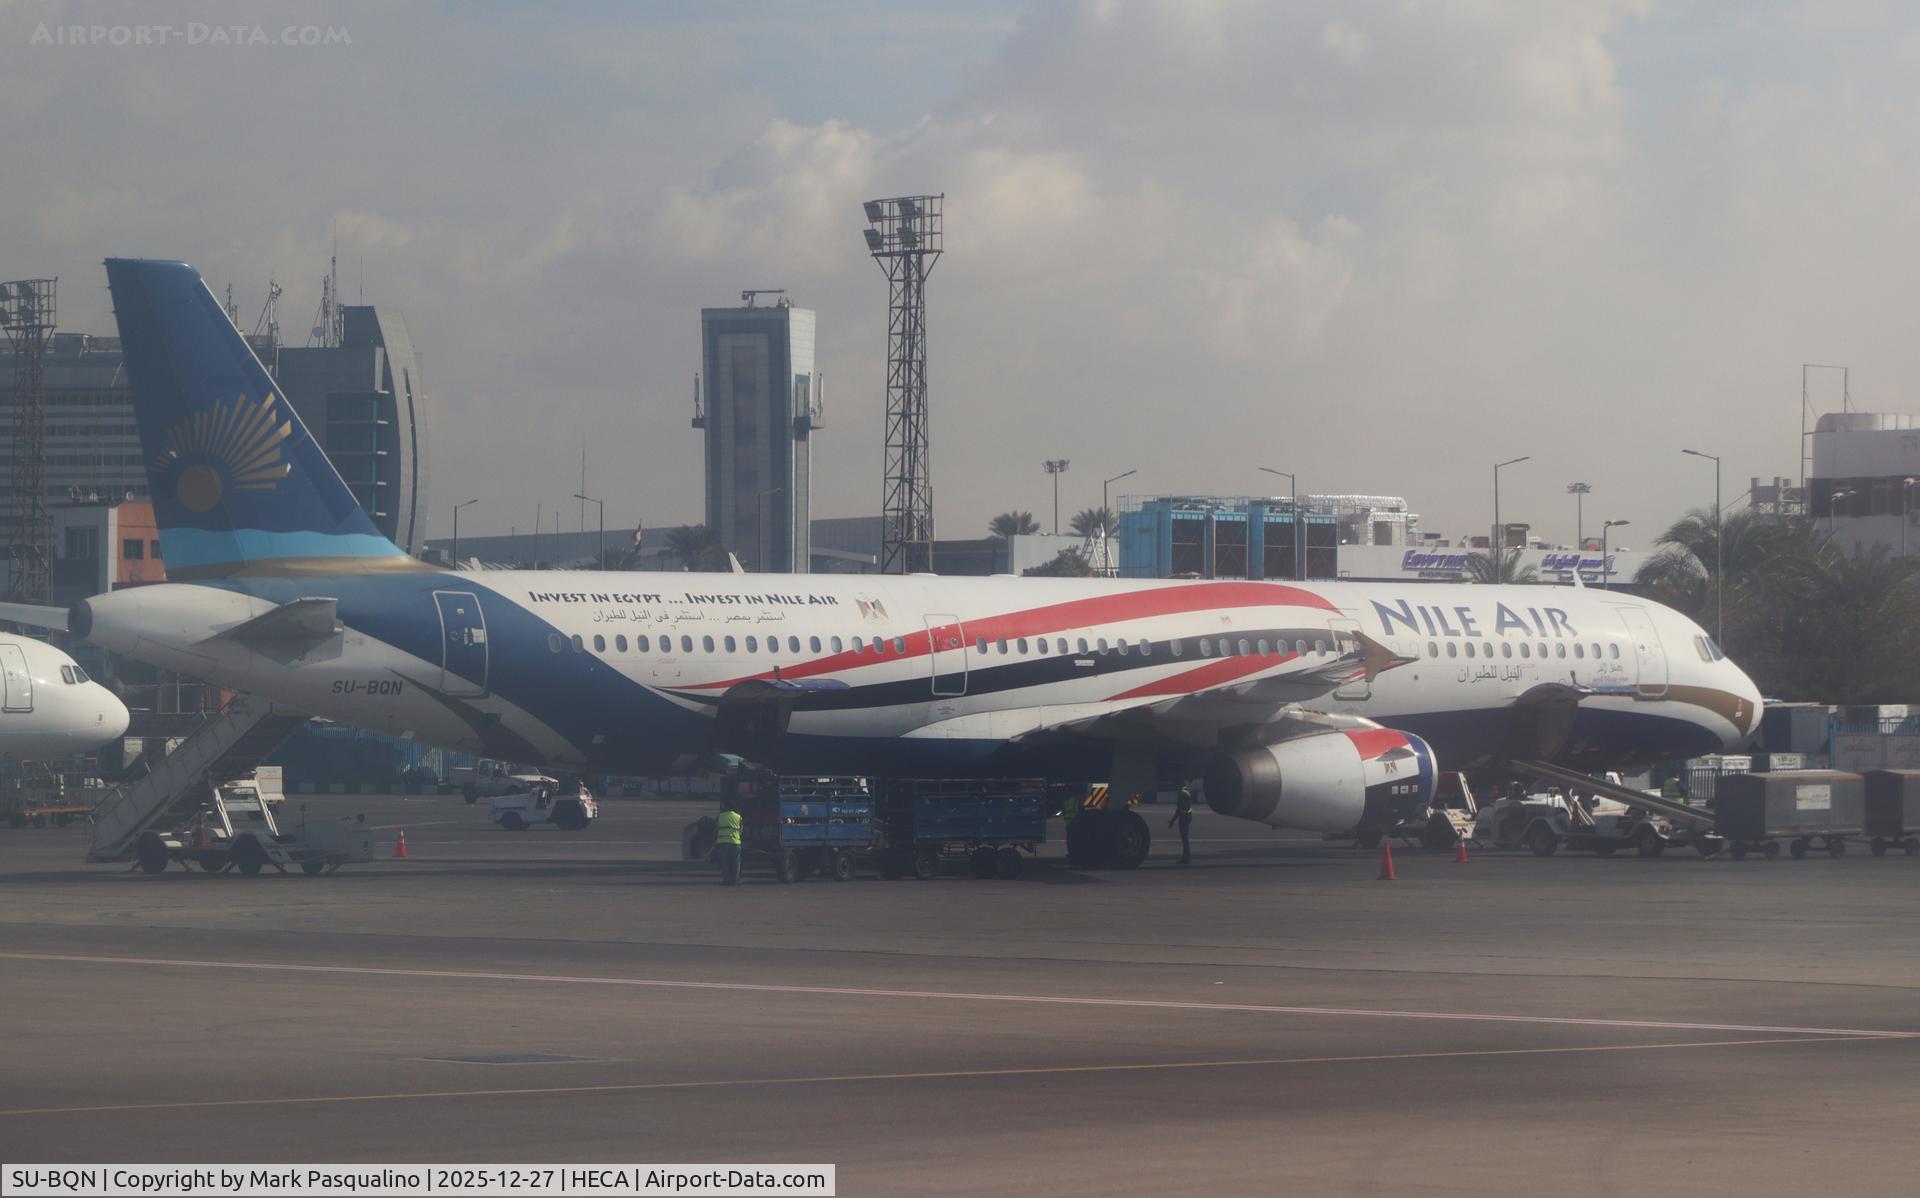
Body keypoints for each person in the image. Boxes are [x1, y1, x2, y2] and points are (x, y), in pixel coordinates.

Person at [714, 802, 744, 884]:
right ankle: (734, 880)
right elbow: (741, 830)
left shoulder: (720, 816)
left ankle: (726, 880)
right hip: (735, 843)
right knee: (735, 863)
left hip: (722, 842)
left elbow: (716, 828)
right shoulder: (738, 817)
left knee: (724, 863)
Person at [1167, 783, 1195, 864]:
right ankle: (1186, 857)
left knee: (1185, 839)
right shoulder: (1186, 791)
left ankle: (1186, 858)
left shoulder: (1181, 793)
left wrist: (1173, 820)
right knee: (1185, 839)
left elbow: (1179, 809)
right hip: (1188, 816)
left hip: (1184, 817)